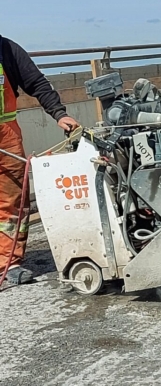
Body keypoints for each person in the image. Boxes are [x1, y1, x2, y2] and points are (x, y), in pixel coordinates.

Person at [0, 35, 79, 285]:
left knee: (12, 201)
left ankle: (8, 262)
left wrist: (59, 114)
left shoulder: (5, 49)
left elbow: (36, 82)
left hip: (6, 136)